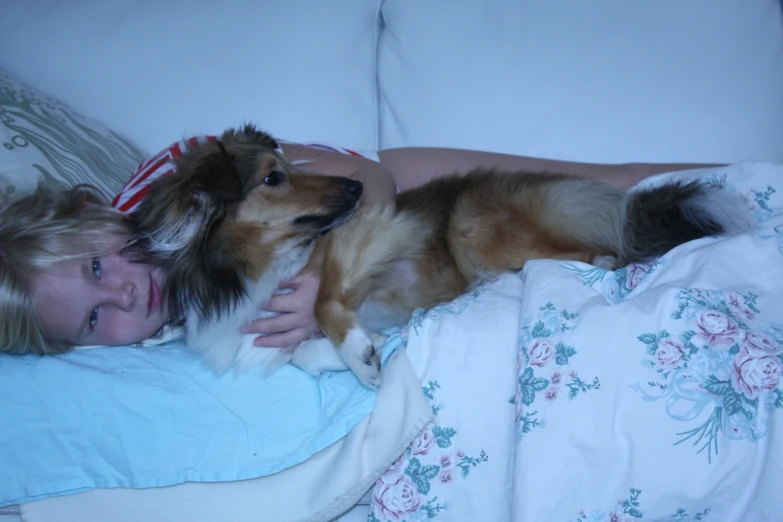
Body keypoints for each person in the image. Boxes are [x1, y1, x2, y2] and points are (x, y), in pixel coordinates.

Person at [0, 135, 721, 356]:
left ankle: (738, 189)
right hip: (405, 255)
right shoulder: (149, 337)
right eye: (95, 319)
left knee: (627, 184)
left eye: (96, 266)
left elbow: (362, 179)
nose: (122, 293)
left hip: (390, 184)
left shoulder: (171, 183)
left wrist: (327, 289)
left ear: (95, 212)